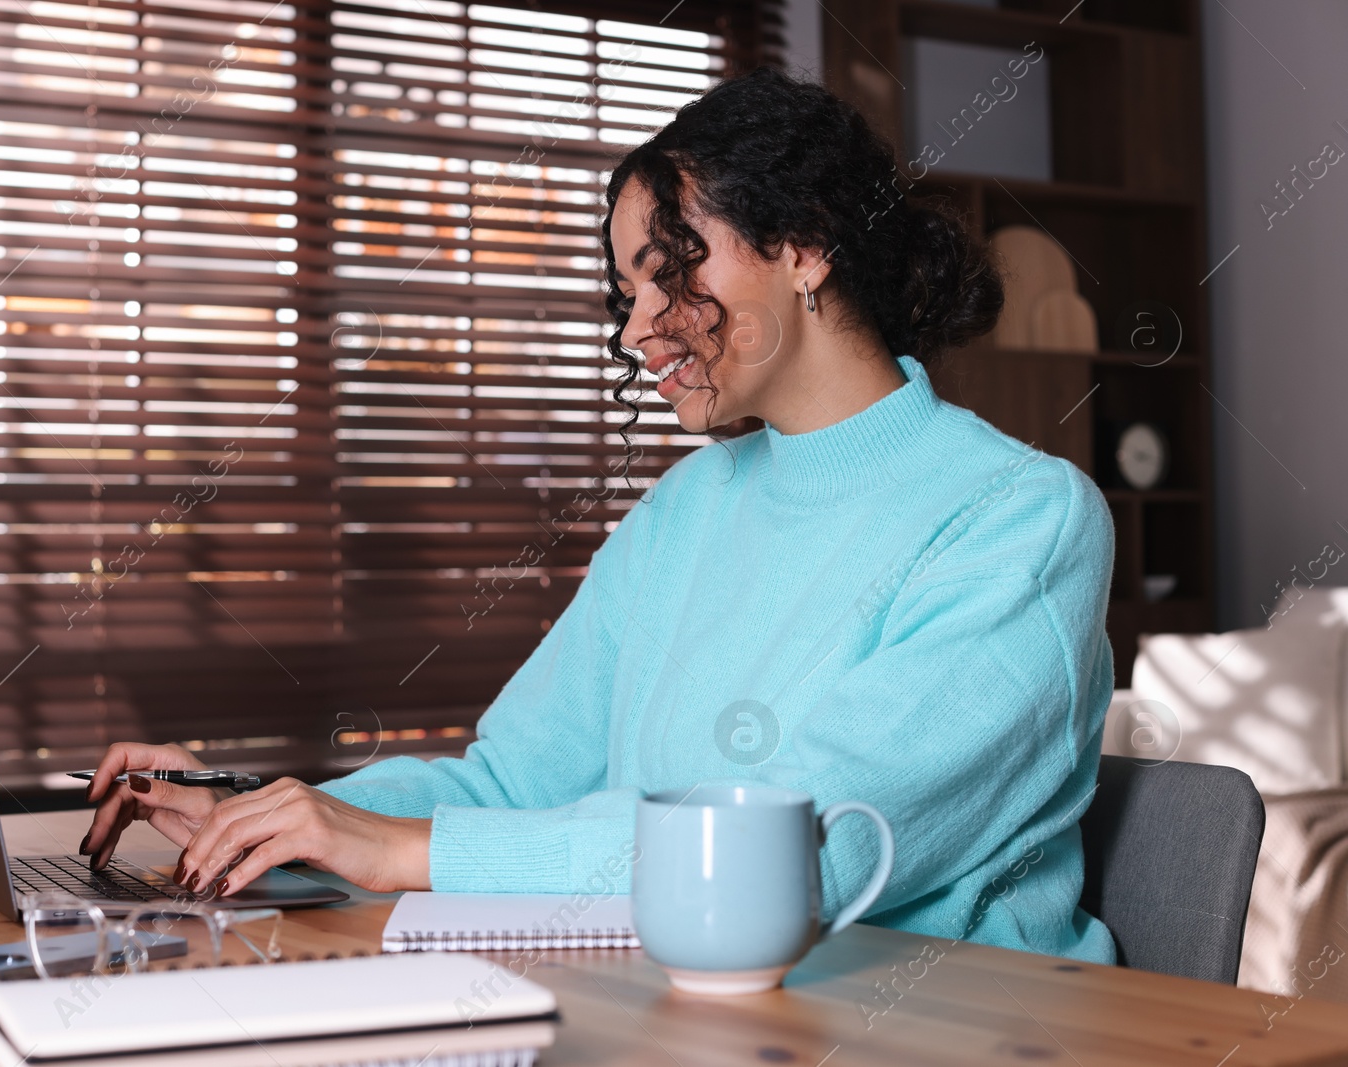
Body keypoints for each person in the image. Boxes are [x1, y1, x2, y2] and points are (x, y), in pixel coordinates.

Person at [80, 66, 1117, 963]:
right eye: (625, 293)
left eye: (669, 272)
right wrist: (277, 814)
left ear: (803, 246)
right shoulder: (688, 504)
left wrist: (401, 851)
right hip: (680, 1002)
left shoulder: (1018, 518)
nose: (636, 331)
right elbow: (510, 778)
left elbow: (805, 849)